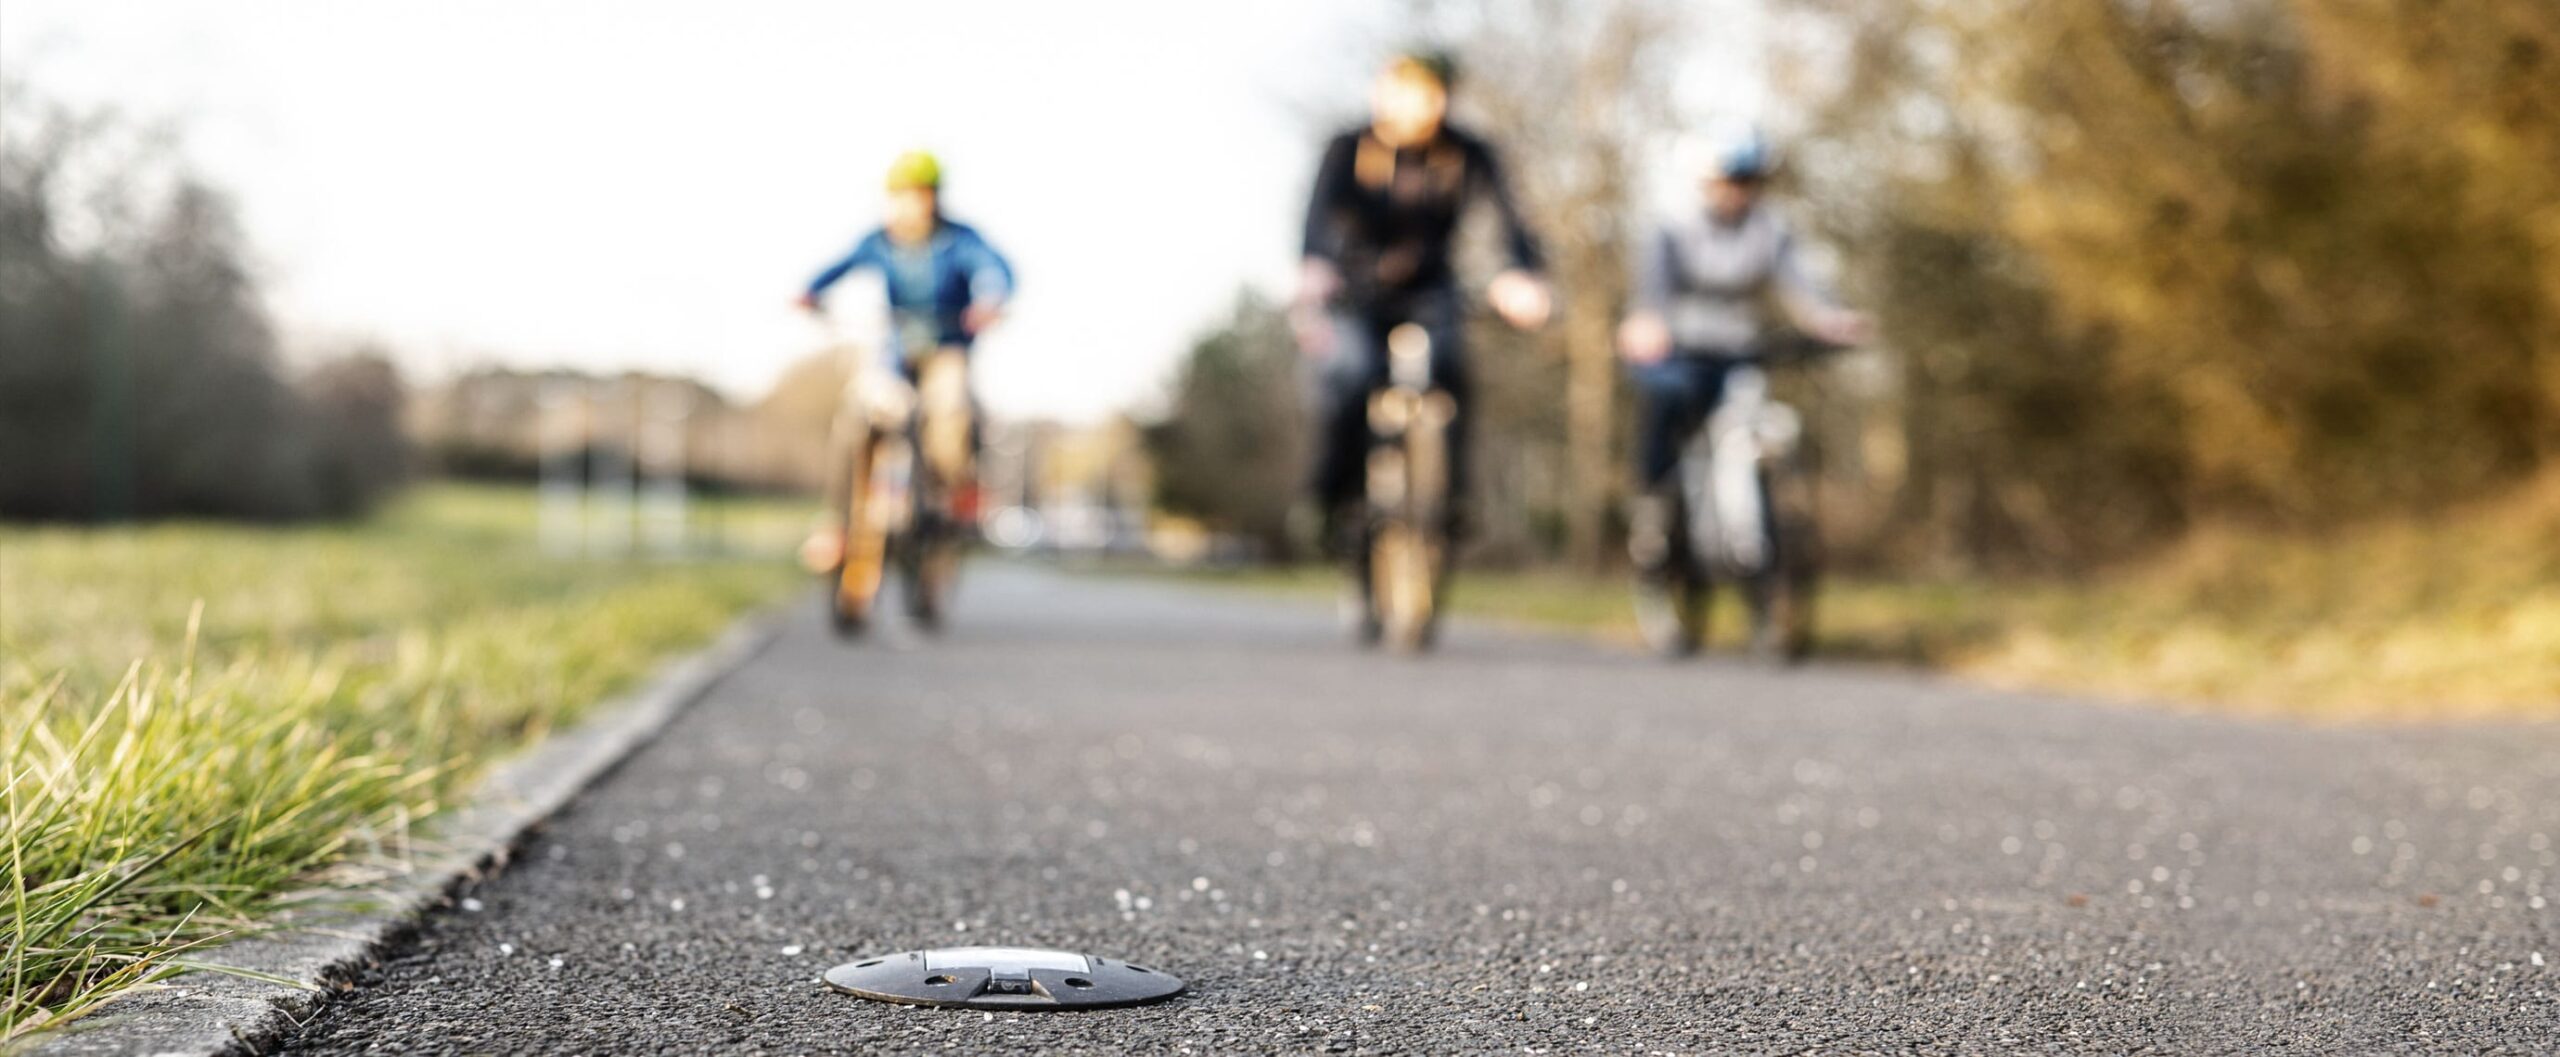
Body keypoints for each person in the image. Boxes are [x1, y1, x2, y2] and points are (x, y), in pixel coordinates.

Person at [1295, 48, 1553, 551]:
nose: (1424, 107)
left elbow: (1511, 219)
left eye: (1435, 95)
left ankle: (1451, 502)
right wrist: (1316, 266)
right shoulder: (1347, 148)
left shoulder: (1468, 151)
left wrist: (1522, 274)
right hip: (1357, 288)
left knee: (1451, 370)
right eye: (1412, 93)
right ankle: (1330, 496)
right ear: (1384, 93)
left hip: (1433, 287)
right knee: (1352, 378)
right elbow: (1317, 219)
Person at [1616, 132, 1867, 587]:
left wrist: (1829, 318)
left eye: (1748, 181)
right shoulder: (1673, 226)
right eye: (1729, 180)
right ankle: (1652, 514)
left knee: (1756, 420)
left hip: (1742, 350)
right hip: (1680, 349)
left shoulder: (1772, 228)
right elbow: (1652, 291)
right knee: (1667, 407)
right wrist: (1647, 322)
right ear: (1707, 182)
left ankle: (1761, 543)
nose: (1738, 191)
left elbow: (1802, 284)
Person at [796, 150, 1014, 572]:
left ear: (934, 198)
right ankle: (835, 525)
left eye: (921, 195)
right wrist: (810, 291)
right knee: (856, 415)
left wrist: (991, 300)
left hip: (947, 347)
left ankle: (952, 491)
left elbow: (997, 269)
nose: (912, 205)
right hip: (896, 349)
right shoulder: (879, 241)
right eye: (903, 196)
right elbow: (838, 267)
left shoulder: (959, 240)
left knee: (950, 410)